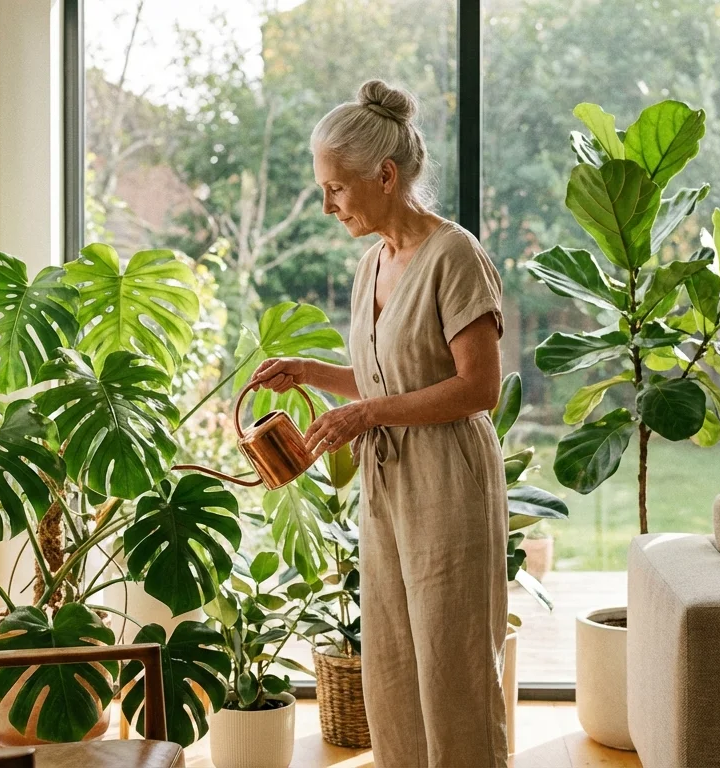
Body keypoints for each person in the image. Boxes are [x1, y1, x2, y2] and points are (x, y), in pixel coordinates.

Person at [246, 79, 509, 767]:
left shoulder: (455, 257)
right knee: (391, 662)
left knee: (453, 668)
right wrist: (309, 371)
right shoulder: (371, 265)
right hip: (386, 484)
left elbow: (478, 387)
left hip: (449, 482)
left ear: (384, 176)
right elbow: (388, 376)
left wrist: (364, 413)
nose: (328, 204)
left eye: (336, 188)